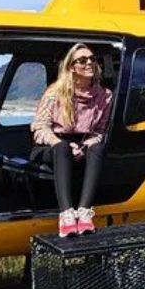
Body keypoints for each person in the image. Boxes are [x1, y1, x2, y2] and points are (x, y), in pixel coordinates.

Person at [31, 42, 112, 236]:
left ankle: (84, 212)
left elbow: (101, 130)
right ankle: (66, 215)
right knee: (63, 149)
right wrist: (60, 143)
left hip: (83, 142)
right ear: (71, 67)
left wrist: (86, 145)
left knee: (98, 149)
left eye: (92, 59)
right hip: (52, 144)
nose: (89, 63)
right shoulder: (55, 92)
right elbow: (40, 127)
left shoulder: (104, 95)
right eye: (82, 60)